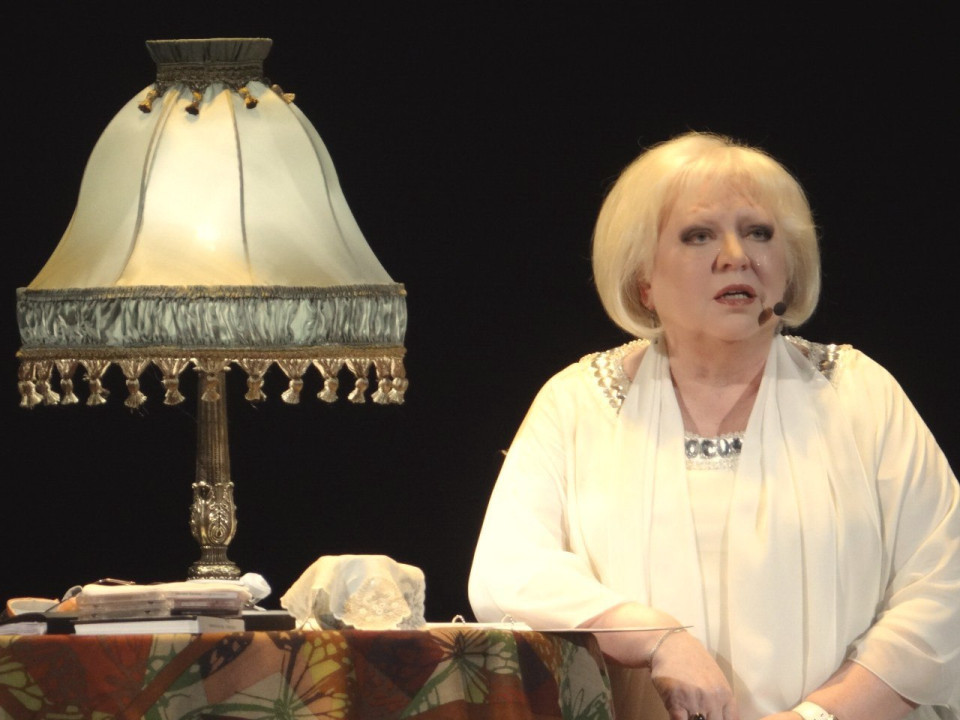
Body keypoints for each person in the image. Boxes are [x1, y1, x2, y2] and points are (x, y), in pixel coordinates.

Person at [468, 132, 960, 720]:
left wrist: (816, 717)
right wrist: (655, 637)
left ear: (789, 265)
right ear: (643, 279)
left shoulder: (859, 393)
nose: (736, 255)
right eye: (698, 235)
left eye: (759, 233)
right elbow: (508, 572)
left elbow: (943, 590)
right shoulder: (577, 404)